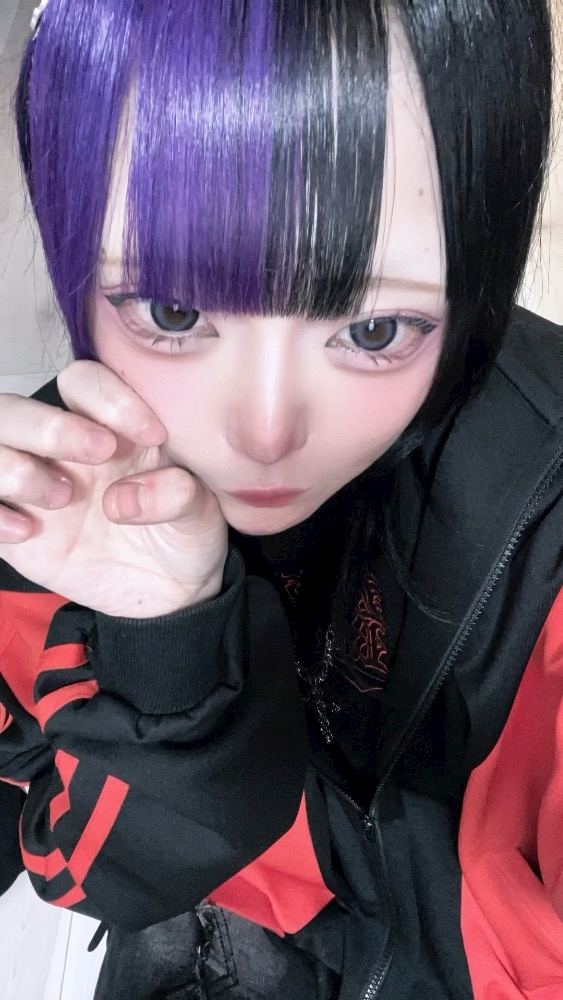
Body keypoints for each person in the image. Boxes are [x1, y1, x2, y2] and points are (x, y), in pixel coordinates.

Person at [0, 0, 561, 996]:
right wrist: (160, 642)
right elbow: (62, 857)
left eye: (375, 328)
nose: (265, 431)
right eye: (173, 310)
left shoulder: (542, 498)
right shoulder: (48, 506)